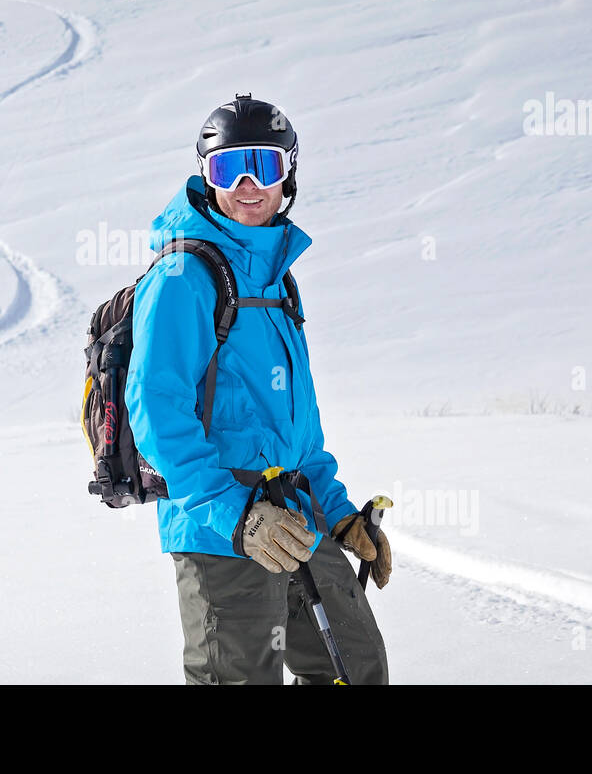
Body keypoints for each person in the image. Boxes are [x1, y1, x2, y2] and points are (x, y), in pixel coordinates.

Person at [124, 94, 391, 685]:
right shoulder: (183, 276)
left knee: (355, 668)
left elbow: (300, 428)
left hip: (298, 519)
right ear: (206, 175)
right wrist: (236, 515)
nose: (248, 184)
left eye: (264, 166)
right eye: (229, 168)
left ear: (288, 174)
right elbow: (155, 410)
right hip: (223, 530)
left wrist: (340, 514)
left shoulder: (278, 281)